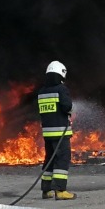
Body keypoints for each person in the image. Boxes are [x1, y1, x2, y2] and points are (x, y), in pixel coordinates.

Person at [36, 60, 75, 200]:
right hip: (60, 133)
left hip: (47, 133)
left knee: (49, 160)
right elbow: (66, 107)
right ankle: (60, 190)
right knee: (62, 160)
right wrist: (71, 109)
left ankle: (46, 190)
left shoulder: (42, 92)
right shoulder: (61, 89)